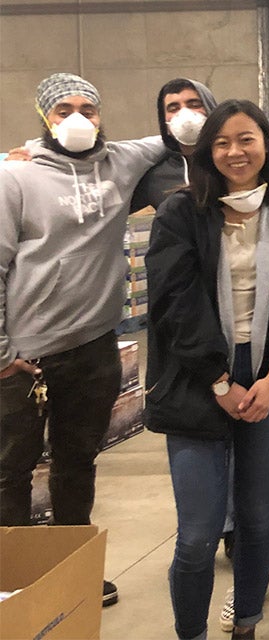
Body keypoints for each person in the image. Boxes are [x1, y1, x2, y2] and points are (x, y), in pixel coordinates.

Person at [0, 72, 167, 608]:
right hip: (25, 357)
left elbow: (185, 129)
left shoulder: (120, 160)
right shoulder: (14, 178)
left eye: (88, 109)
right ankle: (16, 579)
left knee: (77, 462)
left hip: (95, 345)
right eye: (63, 110)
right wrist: (3, 356)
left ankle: (73, 569)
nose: (77, 119)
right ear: (43, 119)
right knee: (12, 469)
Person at [145, 99, 269, 640]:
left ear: (267, 145)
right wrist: (218, 378)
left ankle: (246, 626)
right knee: (197, 532)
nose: (235, 152)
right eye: (222, 142)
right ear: (206, 152)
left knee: (258, 519)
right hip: (197, 376)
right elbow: (175, 301)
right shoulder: (180, 213)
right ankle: (190, 632)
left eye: (246, 139)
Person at [132, 77, 219, 210]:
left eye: (194, 105)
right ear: (165, 123)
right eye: (173, 108)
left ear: (210, 110)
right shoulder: (155, 177)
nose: (185, 113)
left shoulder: (230, 162)